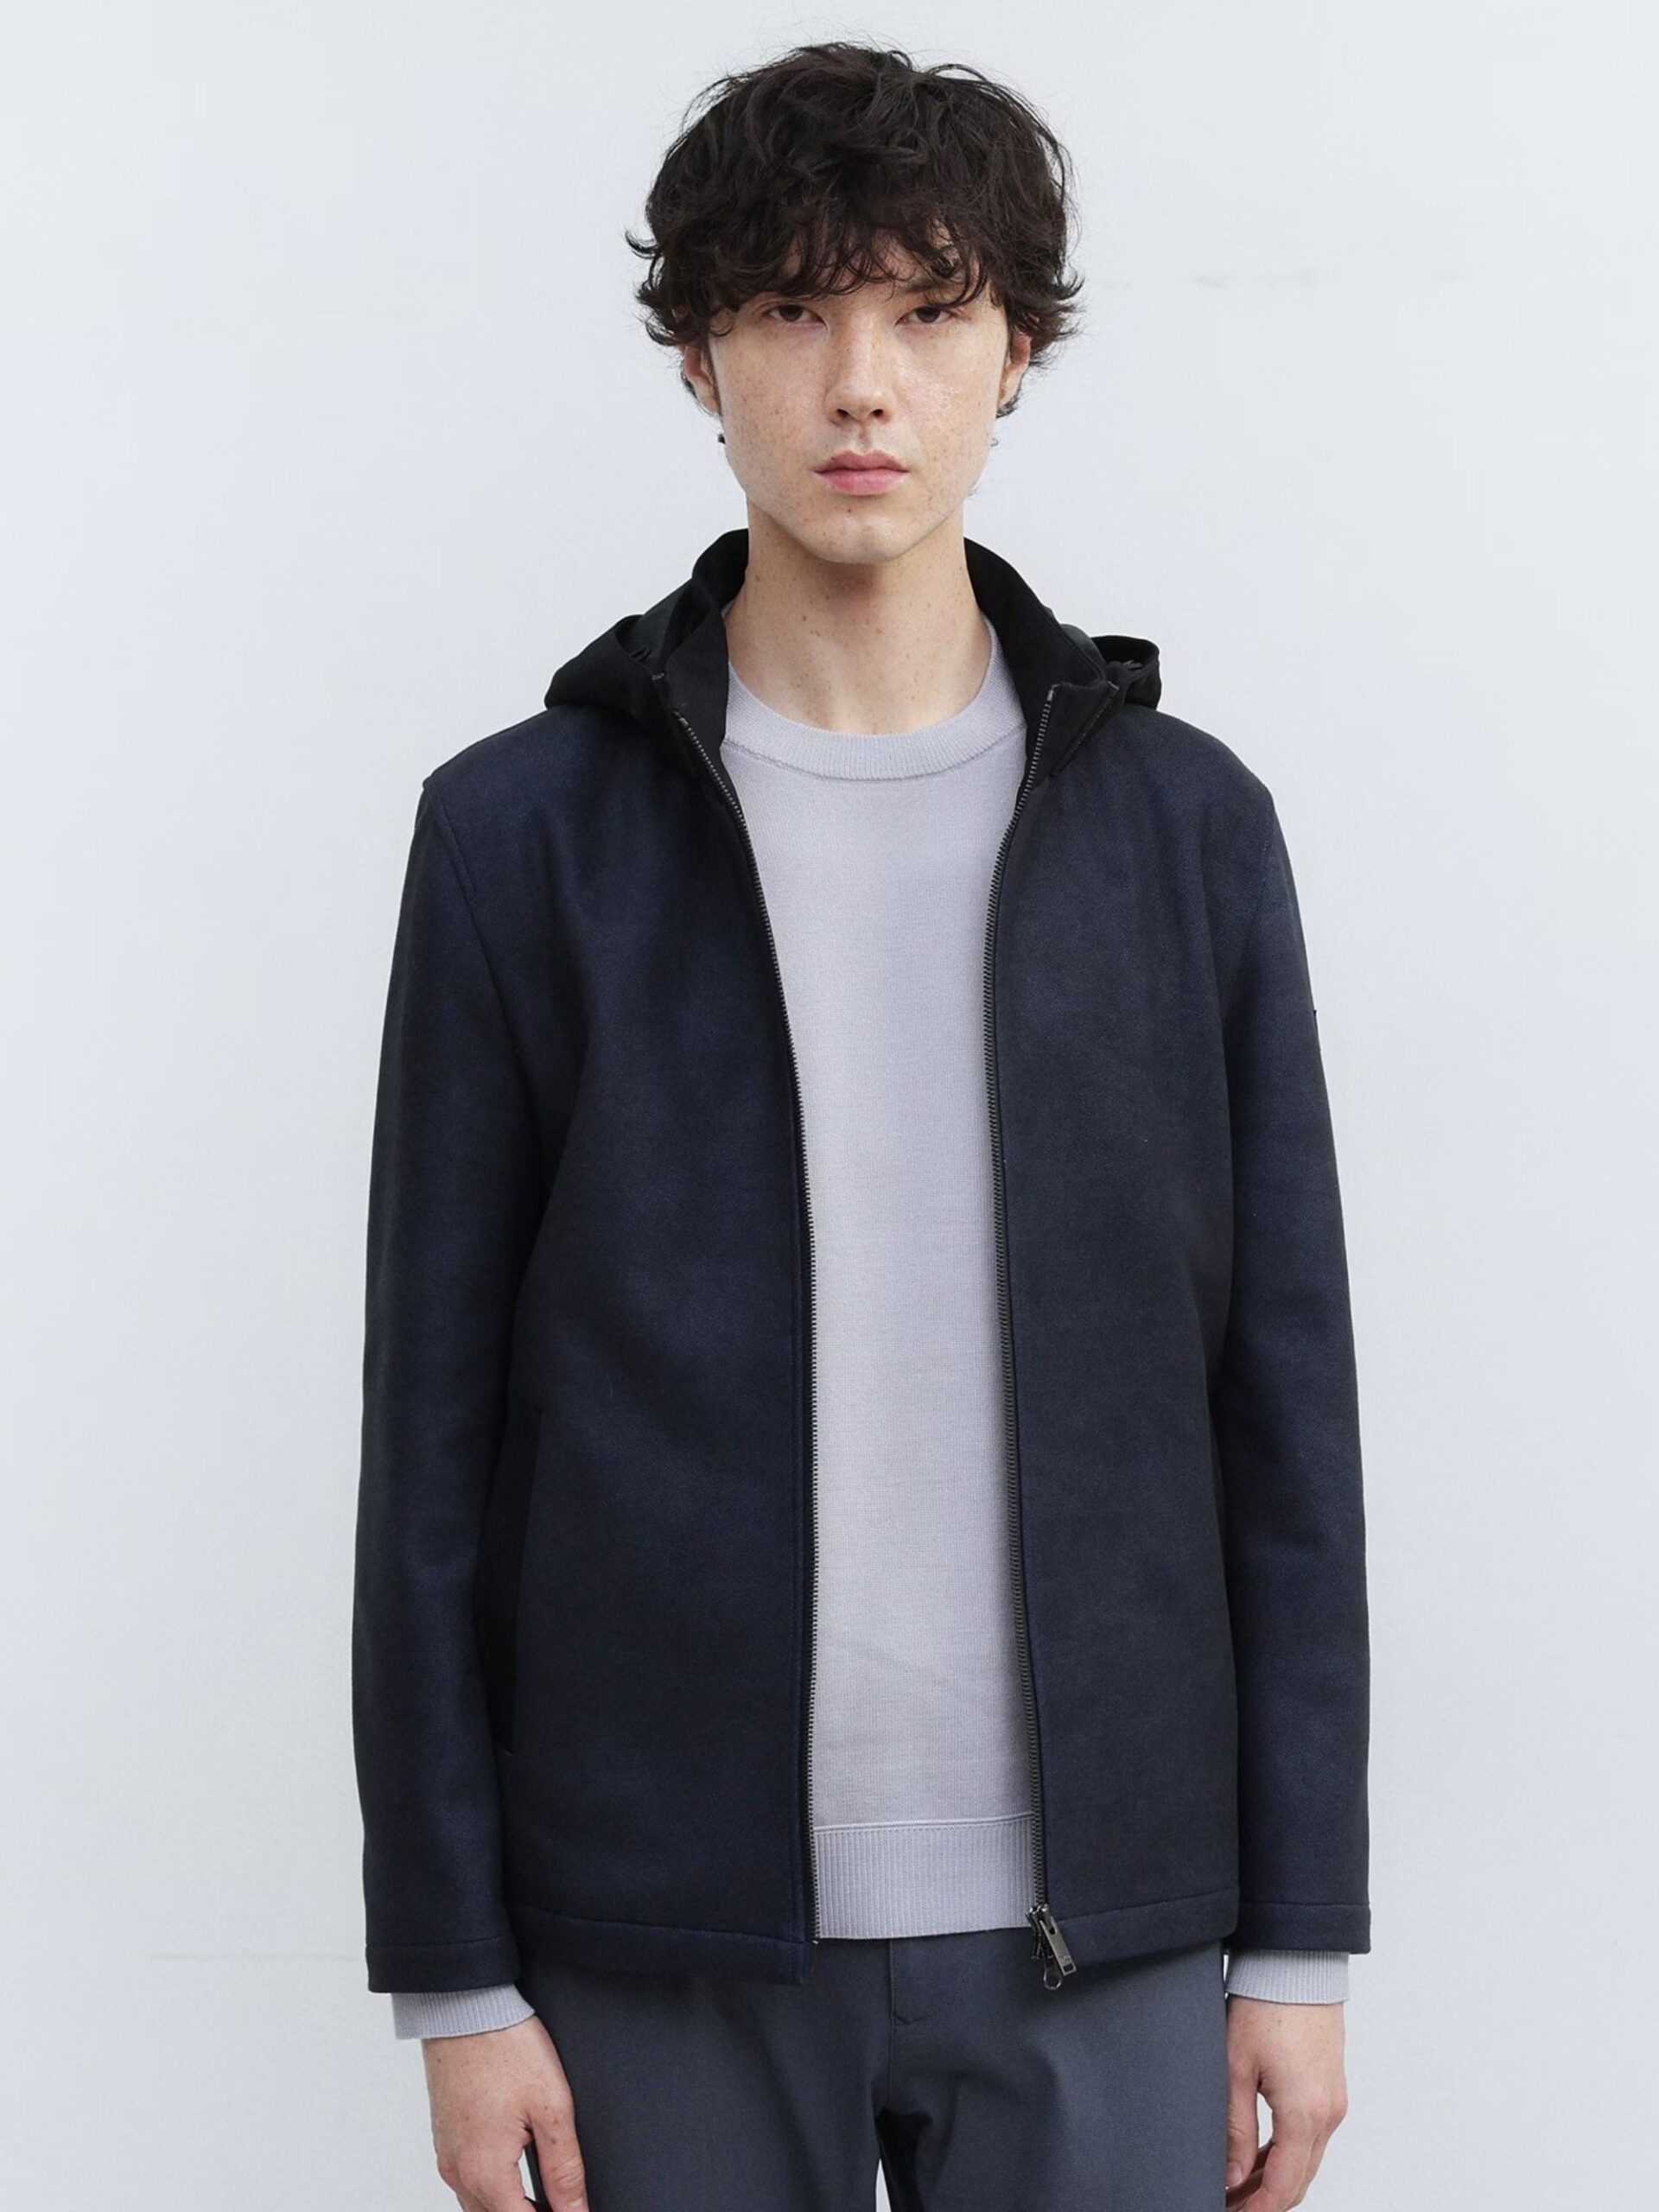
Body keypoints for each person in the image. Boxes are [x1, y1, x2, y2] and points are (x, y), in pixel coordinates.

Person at [351, 40, 1370, 2212]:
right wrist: (455, 1970)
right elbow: (428, 1437)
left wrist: (1299, 1936)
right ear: (700, 355)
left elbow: (1283, 1415)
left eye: (928, 309)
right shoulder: (522, 837)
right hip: (652, 1927)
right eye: (792, 308)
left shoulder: (1188, 832)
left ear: (1018, 353)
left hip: (1114, 1921)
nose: (859, 385)